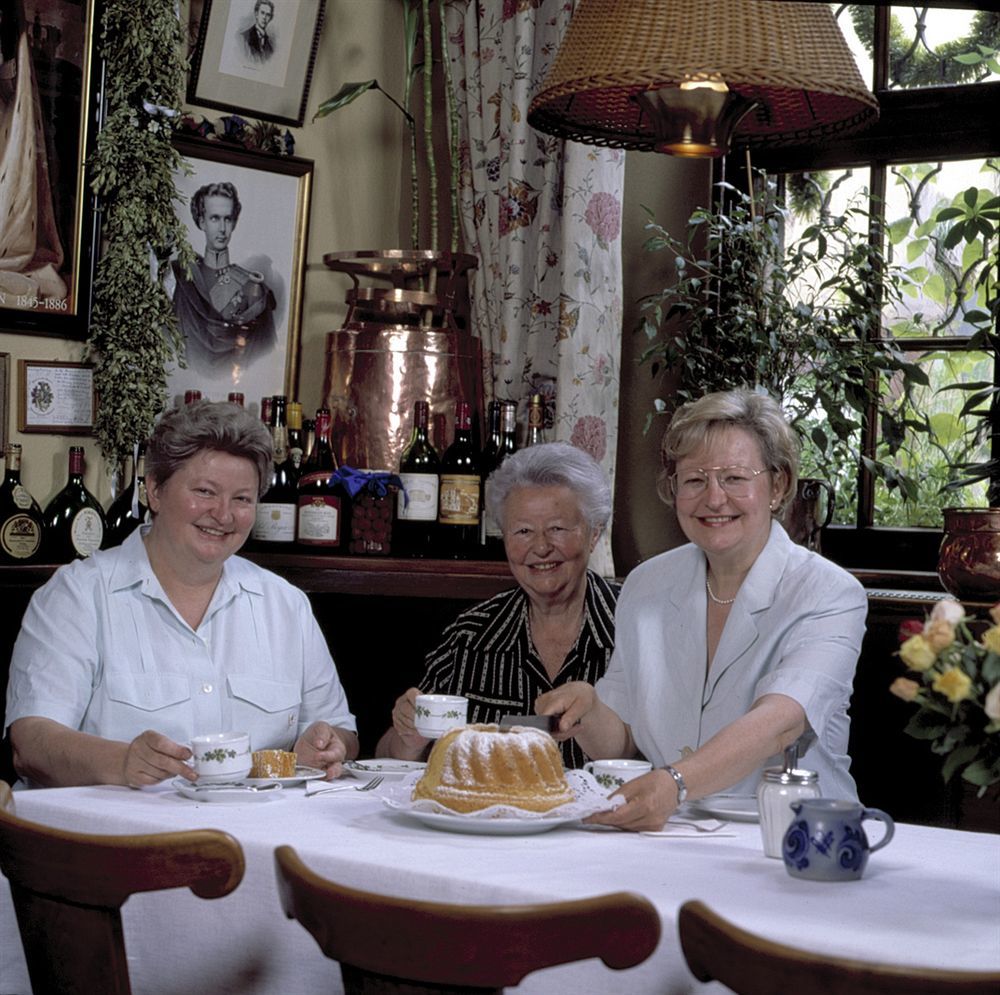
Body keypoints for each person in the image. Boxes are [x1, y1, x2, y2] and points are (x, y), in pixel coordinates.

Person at [537, 389, 867, 830]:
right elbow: (624, 739)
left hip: (792, 840)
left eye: (734, 478)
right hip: (671, 835)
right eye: (694, 480)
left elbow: (779, 724)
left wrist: (673, 783)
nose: (713, 499)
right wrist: (590, 709)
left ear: (779, 485)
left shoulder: (829, 592)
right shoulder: (646, 584)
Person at [5, 401, 359, 788]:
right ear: (155, 490)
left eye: (242, 499)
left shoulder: (286, 605)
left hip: (257, 840)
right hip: (110, 841)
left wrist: (328, 746)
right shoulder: (77, 596)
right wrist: (122, 762)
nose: (223, 515)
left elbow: (342, 733)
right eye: (205, 491)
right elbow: (31, 742)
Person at [376, 442, 617, 769]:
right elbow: (386, 755)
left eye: (557, 529)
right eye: (523, 531)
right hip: (487, 817)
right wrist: (408, 738)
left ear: (594, 534)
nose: (541, 547)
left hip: (604, 817)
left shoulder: (632, 624)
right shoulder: (471, 635)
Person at [171, 181, 277, 378]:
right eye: (214, 218)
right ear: (201, 222)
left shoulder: (254, 287)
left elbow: (266, 354)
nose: (222, 228)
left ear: (234, 223)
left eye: (227, 219)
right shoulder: (181, 276)